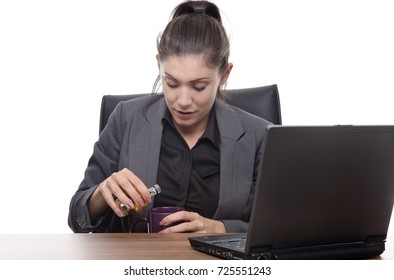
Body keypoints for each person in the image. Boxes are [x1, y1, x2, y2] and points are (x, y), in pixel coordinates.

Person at [68, 0, 270, 233]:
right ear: (159, 67)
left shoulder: (258, 136)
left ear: (224, 74)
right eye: (171, 83)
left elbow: (280, 228)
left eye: (199, 86)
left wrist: (220, 229)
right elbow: (77, 219)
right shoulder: (126, 118)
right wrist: (102, 192)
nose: (182, 100)